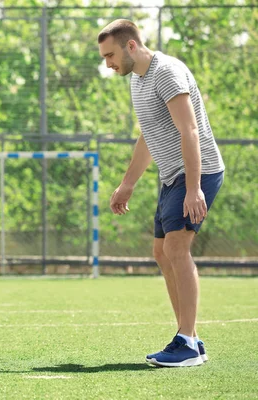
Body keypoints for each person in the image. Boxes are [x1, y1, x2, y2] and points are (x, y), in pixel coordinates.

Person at [97, 20, 225, 367]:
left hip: (198, 172)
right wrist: (128, 183)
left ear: (131, 47)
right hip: (173, 177)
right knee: (161, 251)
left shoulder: (166, 72)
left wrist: (195, 187)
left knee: (176, 247)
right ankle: (190, 340)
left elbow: (190, 130)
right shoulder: (138, 80)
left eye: (110, 55)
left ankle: (186, 341)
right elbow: (148, 135)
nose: (107, 64)